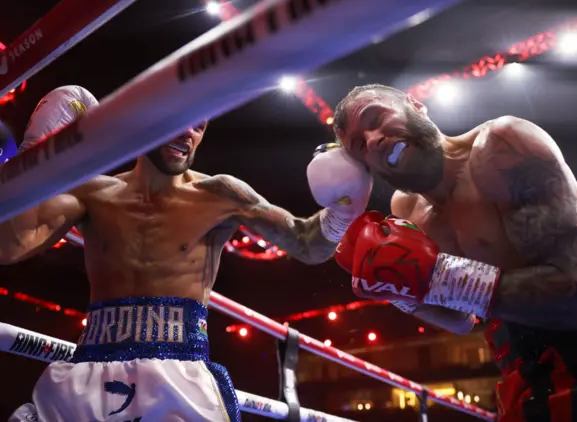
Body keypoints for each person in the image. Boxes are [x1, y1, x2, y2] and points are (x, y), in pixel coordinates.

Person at [0, 85, 373, 421]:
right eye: (178, 121)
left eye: (199, 126)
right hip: (88, 371)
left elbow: (306, 244)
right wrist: (32, 160)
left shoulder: (220, 194)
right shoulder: (92, 193)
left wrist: (342, 211)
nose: (188, 134)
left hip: (178, 374)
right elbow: (11, 245)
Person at [332, 84, 577, 421]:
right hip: (520, 373)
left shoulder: (503, 147)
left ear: (416, 106)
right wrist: (400, 290)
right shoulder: (405, 210)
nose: (373, 140)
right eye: (359, 146)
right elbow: (463, 320)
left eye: (376, 118)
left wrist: (440, 276)